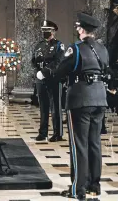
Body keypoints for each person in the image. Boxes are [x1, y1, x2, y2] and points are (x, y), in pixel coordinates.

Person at [41, 13, 108, 200]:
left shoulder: (76, 49)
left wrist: (48, 74)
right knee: (94, 144)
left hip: (80, 99)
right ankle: (94, 186)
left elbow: (61, 71)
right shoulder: (103, 48)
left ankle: (78, 189)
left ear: (80, 29)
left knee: (79, 145)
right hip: (100, 99)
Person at [32, 20, 65, 142]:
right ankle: (43, 132)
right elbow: (33, 60)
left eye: (48, 30)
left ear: (53, 31)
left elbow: (58, 62)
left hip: (53, 79)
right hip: (40, 79)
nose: (45, 32)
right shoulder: (39, 45)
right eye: (43, 30)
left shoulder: (58, 45)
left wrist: (44, 72)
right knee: (43, 106)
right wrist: (37, 73)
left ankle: (58, 133)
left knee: (55, 107)